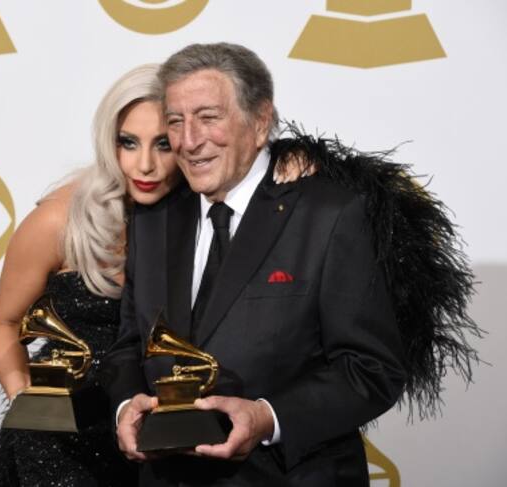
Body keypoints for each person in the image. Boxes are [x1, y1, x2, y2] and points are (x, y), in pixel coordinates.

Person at [106, 43, 480, 486]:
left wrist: (268, 417)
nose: (189, 141)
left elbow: (371, 368)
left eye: (208, 118)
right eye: (175, 121)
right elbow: (130, 344)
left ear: (260, 121)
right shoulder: (154, 219)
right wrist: (125, 406)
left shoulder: (331, 215)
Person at [0, 62, 313, 486]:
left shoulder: (205, 210)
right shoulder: (59, 220)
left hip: (160, 439)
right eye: (128, 142)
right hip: (63, 442)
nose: (145, 165)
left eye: (163, 144)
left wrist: (299, 157)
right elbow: (5, 323)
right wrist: (29, 403)